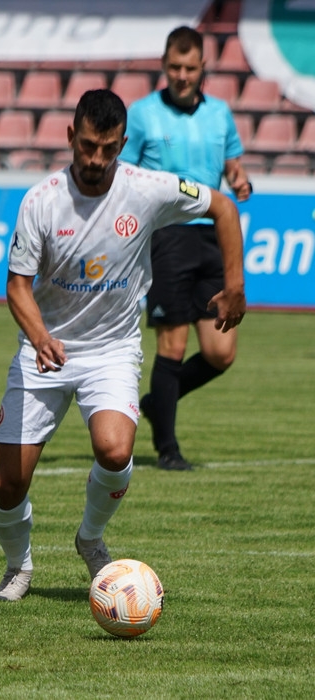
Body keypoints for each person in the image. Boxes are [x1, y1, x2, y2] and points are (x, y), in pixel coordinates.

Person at [0, 89, 245, 602]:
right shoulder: (41, 201)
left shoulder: (146, 189)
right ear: (70, 137)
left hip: (111, 350)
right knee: (7, 486)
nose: (95, 160)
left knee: (115, 449)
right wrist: (39, 336)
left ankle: (89, 537)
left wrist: (235, 282)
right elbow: (17, 286)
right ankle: (18, 567)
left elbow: (223, 206)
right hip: (44, 350)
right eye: (86, 146)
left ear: (123, 144)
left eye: (107, 149)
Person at [120, 26, 252, 471]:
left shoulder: (220, 113)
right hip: (167, 235)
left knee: (221, 352)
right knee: (172, 345)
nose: (181, 75)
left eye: (189, 68)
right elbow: (124, 173)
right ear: (163, 66)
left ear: (202, 69)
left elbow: (231, 158)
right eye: (174, 67)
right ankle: (168, 449)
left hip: (213, 234)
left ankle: (158, 403)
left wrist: (237, 177)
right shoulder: (141, 115)